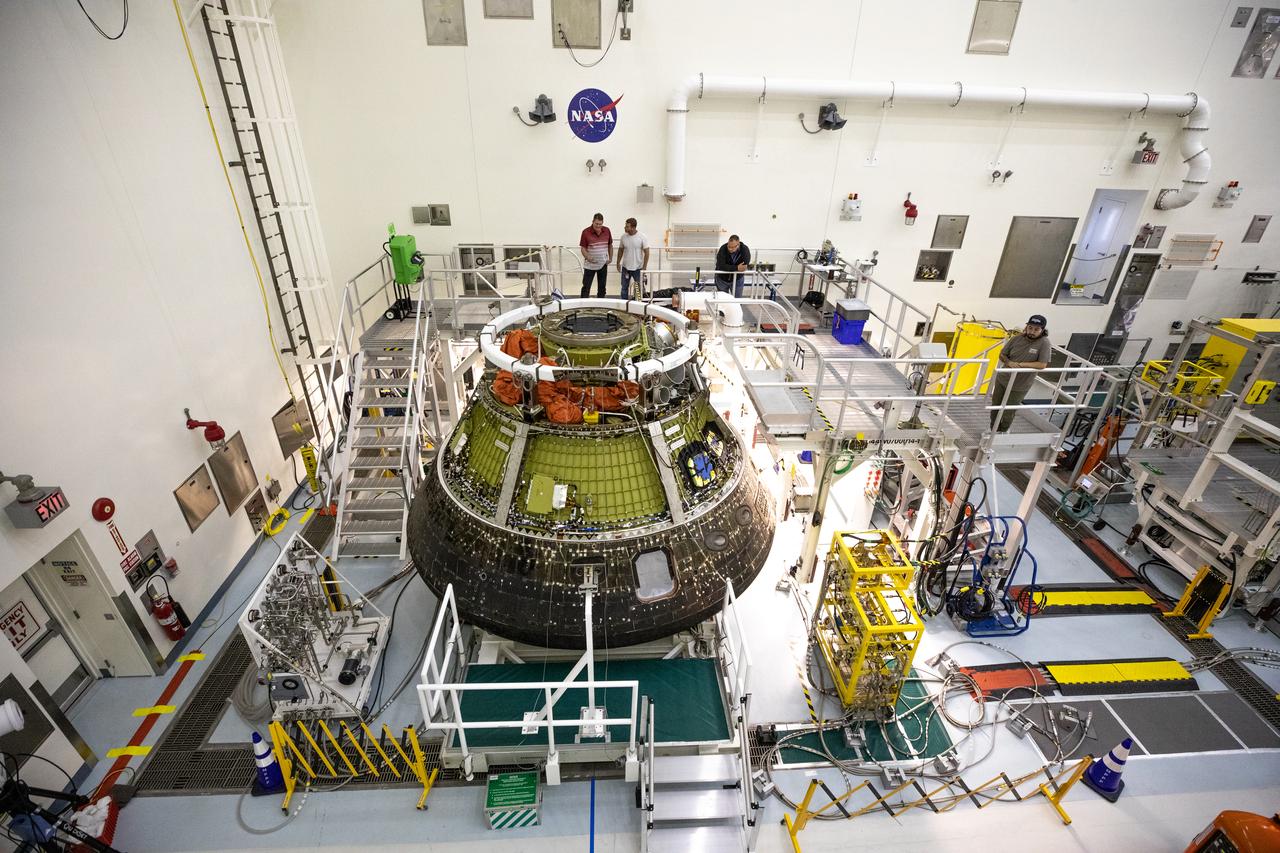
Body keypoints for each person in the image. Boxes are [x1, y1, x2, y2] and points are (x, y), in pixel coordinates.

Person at [991, 314, 1052, 432]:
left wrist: (1020, 365)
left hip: (1020, 385)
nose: (1032, 331)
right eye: (1030, 327)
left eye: (1036, 329)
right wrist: (1009, 362)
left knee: (1008, 411)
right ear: (1026, 327)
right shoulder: (1016, 338)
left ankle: (1003, 431)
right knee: (995, 407)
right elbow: (1002, 354)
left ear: (1042, 330)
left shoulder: (1044, 343)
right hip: (1003, 379)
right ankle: (993, 429)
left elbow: (1042, 364)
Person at [615, 217, 650, 300]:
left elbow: (647, 252)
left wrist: (644, 267)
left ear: (633, 228)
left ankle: (638, 305)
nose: (625, 227)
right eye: (625, 226)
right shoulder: (623, 237)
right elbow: (620, 250)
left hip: (638, 268)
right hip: (626, 268)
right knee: (624, 288)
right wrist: (618, 263)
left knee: (638, 289)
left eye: (627, 226)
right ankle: (623, 305)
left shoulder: (642, 237)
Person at [579, 213, 612, 298]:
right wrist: (588, 257)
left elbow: (610, 245)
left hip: (603, 264)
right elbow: (583, 248)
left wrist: (610, 258)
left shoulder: (607, 230)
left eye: (600, 224)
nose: (598, 226)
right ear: (592, 221)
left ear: (603, 222)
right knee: (586, 287)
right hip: (590, 265)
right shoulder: (585, 232)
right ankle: (583, 304)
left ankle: (601, 303)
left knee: (602, 288)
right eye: (596, 224)